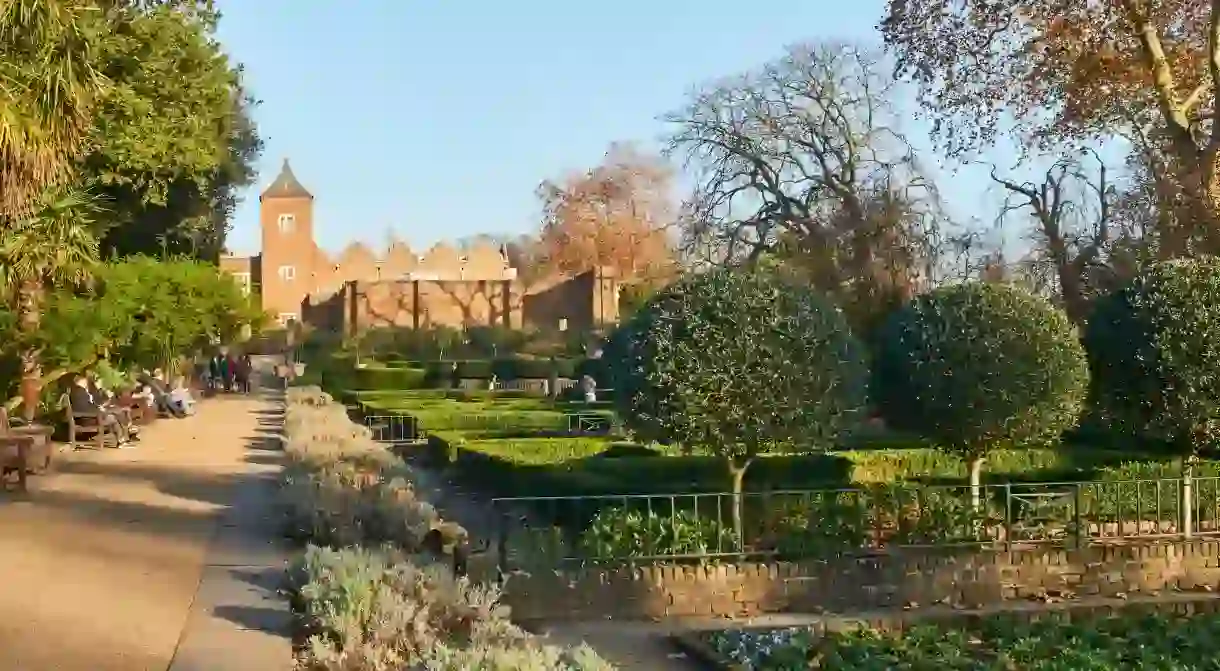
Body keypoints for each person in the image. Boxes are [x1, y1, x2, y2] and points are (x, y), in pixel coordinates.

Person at [68, 373, 133, 448]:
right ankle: (124, 435)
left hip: (90, 416)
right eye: (85, 381)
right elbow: (83, 408)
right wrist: (100, 410)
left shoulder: (81, 391)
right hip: (87, 419)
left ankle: (123, 437)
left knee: (114, 414)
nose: (87, 382)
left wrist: (101, 406)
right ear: (81, 381)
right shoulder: (78, 392)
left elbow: (95, 402)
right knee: (113, 417)